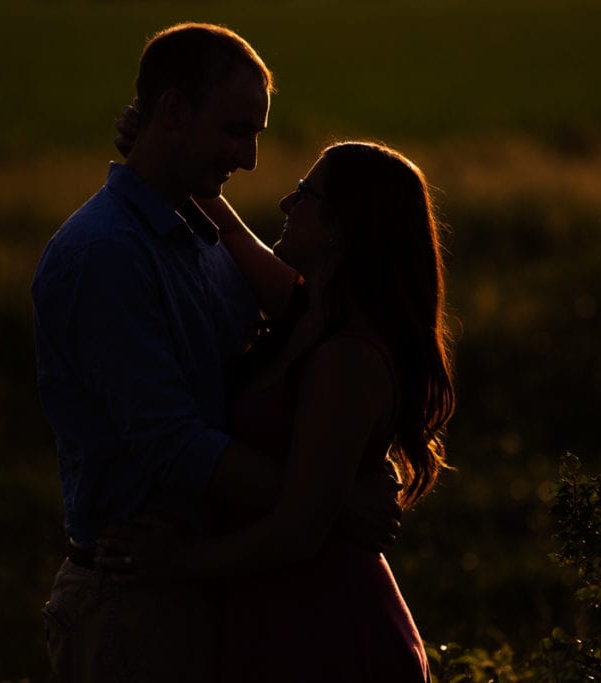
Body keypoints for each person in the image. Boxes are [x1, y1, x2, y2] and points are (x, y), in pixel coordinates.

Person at [31, 24, 399, 682]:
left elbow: (308, 312)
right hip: (133, 598)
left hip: (209, 589)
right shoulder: (106, 254)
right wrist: (329, 501)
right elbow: (170, 440)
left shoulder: (206, 244)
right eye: (235, 130)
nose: (251, 158)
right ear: (172, 112)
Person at [98, 140, 456, 682]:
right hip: (282, 623)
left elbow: (296, 531)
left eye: (306, 194)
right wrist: (165, 155)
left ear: (339, 226)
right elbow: (236, 235)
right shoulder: (305, 311)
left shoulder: (348, 356)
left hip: (332, 634)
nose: (288, 204)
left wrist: (172, 563)